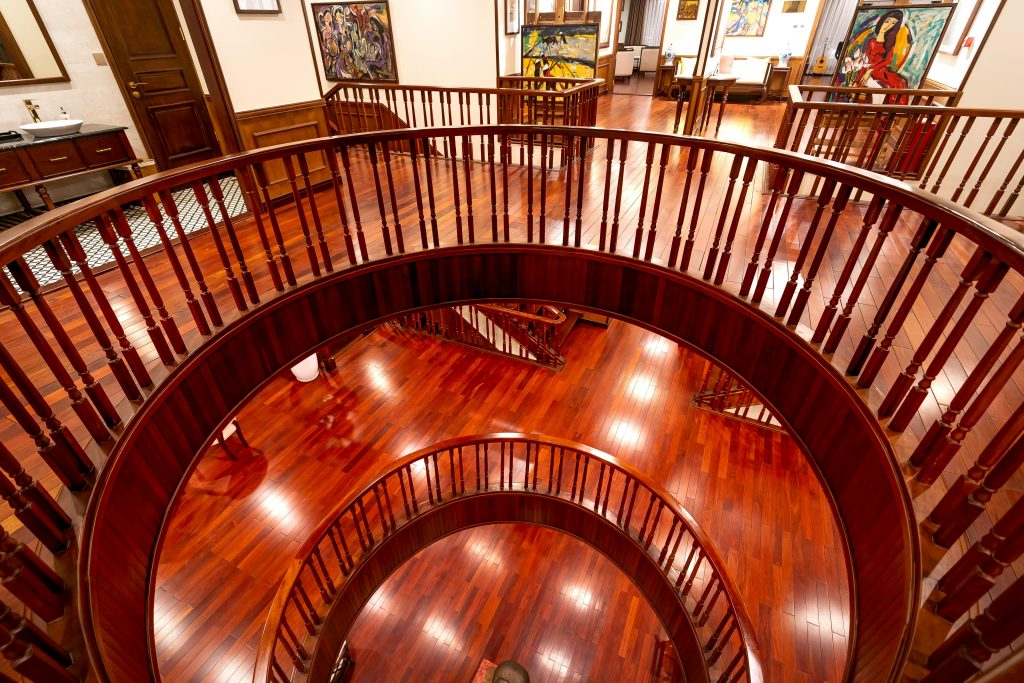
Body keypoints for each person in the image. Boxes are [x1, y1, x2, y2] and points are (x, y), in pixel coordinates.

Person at [856, 10, 910, 92]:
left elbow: (887, 61)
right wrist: (857, 81)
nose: (888, 25)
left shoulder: (889, 45)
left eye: (893, 23)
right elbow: (866, 62)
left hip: (881, 72)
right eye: (887, 21)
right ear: (882, 21)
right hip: (872, 72)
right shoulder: (872, 42)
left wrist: (870, 70)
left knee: (901, 83)